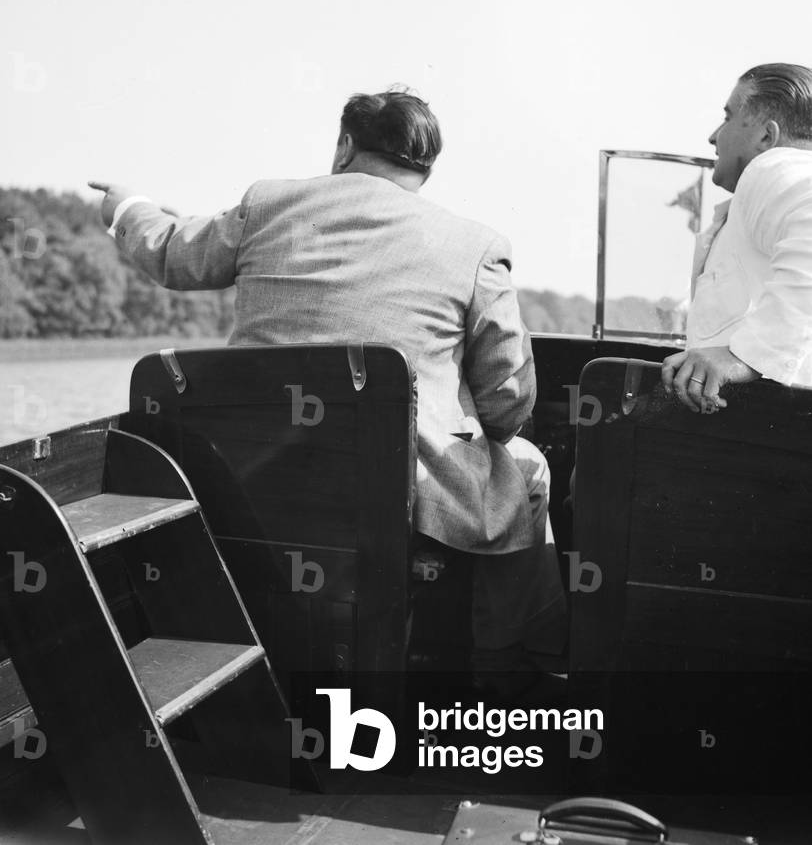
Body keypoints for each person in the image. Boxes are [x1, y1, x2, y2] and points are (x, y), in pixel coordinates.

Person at [90, 89, 566, 667]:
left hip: (250, 481)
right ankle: (506, 664)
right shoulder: (475, 245)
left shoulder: (265, 205)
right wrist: (480, 426)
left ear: (345, 146)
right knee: (528, 467)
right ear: (427, 166)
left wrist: (126, 205)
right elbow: (507, 397)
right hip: (400, 496)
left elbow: (170, 251)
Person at [662, 63, 812, 412]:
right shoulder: (760, 198)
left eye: (727, 117)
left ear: (766, 137)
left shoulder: (774, 166)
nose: (714, 136)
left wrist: (743, 357)